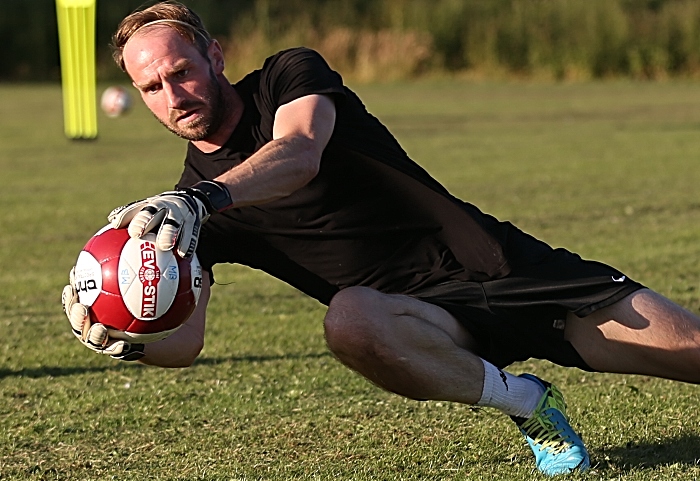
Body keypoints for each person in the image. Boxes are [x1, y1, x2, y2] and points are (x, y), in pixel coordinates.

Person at [61, 2, 700, 476]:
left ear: (216, 56)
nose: (174, 95)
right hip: (421, 322)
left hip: (504, 269)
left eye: (182, 71)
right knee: (350, 320)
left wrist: (203, 199)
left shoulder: (287, 78)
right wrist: (123, 340)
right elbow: (188, 341)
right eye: (152, 87)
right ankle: (528, 403)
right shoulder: (189, 214)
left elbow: (300, 152)